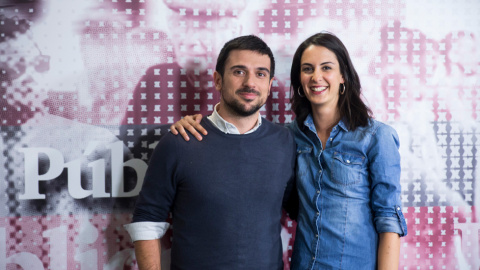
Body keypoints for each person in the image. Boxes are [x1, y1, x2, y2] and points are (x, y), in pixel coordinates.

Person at [170, 32, 408, 269]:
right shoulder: (286, 137)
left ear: (343, 76)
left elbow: (388, 220)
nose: (316, 77)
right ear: (299, 81)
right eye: (307, 69)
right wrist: (194, 125)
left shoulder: (377, 137)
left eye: (326, 68)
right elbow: (240, 140)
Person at [124, 35, 296, 270]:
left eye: (260, 74)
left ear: (269, 84)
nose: (250, 83)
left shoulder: (285, 142)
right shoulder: (180, 141)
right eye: (239, 71)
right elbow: (147, 220)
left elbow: (301, 208)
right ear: (217, 80)